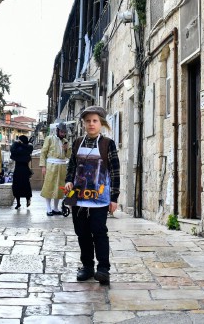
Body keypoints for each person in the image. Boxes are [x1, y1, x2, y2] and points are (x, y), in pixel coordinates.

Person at [64, 106, 120, 286]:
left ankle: (103, 269)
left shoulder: (107, 144)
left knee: (99, 232)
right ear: (84, 124)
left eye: (95, 121)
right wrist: (68, 181)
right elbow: (72, 166)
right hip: (79, 198)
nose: (91, 124)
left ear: (101, 123)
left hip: (100, 199)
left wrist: (114, 198)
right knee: (82, 233)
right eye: (88, 121)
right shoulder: (77, 143)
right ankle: (87, 267)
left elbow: (115, 172)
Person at [40, 123, 70, 216]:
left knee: (60, 188)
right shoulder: (49, 138)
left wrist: (66, 149)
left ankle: (55, 208)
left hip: (62, 166)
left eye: (64, 132)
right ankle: (48, 208)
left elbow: (68, 155)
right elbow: (43, 152)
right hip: (51, 166)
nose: (63, 134)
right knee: (49, 187)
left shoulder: (66, 141)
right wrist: (43, 166)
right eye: (61, 132)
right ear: (57, 131)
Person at [10, 135, 34, 209]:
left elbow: (12, 150)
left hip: (18, 169)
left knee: (17, 186)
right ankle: (27, 199)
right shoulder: (28, 147)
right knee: (26, 185)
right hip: (25, 169)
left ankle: (18, 203)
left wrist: (16, 142)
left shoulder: (19, 148)